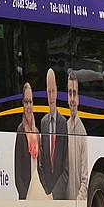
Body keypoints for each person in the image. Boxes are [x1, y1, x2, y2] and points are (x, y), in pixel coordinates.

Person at [14, 83, 48, 199]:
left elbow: (40, 165)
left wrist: (45, 191)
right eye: (26, 102)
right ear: (22, 104)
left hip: (37, 191)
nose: (29, 106)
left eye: (31, 102)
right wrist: (25, 195)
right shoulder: (20, 130)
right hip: (27, 193)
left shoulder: (36, 132)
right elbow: (17, 172)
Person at [39, 68, 68, 199]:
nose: (51, 96)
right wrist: (47, 192)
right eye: (48, 92)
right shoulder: (43, 123)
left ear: (56, 92)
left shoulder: (63, 123)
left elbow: (65, 165)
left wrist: (55, 193)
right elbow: (42, 162)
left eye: (53, 91)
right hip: (46, 193)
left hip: (60, 193)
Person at [66, 69, 89, 201]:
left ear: (78, 98)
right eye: (70, 93)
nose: (72, 99)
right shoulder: (64, 128)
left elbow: (85, 178)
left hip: (76, 203)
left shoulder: (82, 132)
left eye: (75, 93)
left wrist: (78, 202)